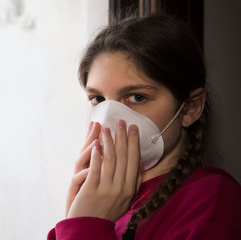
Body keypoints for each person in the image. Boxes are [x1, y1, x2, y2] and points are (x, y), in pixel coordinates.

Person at [47, 13, 241, 240]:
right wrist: (77, 218)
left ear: (190, 108)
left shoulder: (212, 200)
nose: (109, 118)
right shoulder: (102, 198)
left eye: (137, 97)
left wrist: (86, 226)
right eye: (98, 99)